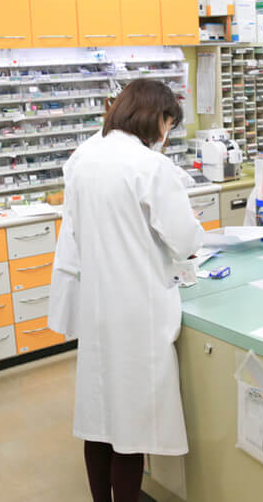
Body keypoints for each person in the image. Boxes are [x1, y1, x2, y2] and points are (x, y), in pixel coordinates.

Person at [62, 79, 203, 502]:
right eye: (168, 124)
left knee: (98, 419)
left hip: (97, 307)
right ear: (157, 117)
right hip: (137, 312)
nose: (166, 134)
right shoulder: (149, 166)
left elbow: (80, 233)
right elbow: (185, 239)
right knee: (131, 427)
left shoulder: (85, 160)